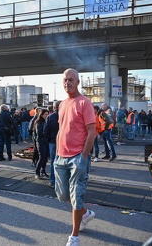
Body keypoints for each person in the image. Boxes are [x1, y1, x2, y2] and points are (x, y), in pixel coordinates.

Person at [54, 68, 96, 246]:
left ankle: (74, 236)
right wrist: (57, 152)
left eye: (71, 79)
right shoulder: (62, 104)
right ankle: (85, 213)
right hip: (61, 157)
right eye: (65, 80)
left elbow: (92, 132)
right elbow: (60, 130)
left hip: (77, 157)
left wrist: (83, 157)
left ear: (78, 82)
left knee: (76, 197)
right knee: (63, 195)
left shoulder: (84, 103)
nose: (67, 82)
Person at [44, 100, 61, 188]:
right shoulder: (66, 115)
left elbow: (45, 130)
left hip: (53, 141)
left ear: (54, 108)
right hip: (64, 143)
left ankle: (53, 181)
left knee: (53, 162)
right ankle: (63, 182)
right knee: (64, 163)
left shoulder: (50, 117)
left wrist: (48, 140)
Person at [34, 108, 50, 180]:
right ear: (42, 115)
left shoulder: (47, 121)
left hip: (46, 141)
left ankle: (43, 170)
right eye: (45, 114)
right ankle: (37, 172)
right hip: (40, 141)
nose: (46, 116)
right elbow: (39, 132)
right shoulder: (38, 122)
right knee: (42, 157)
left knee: (45, 157)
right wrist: (47, 133)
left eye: (47, 114)